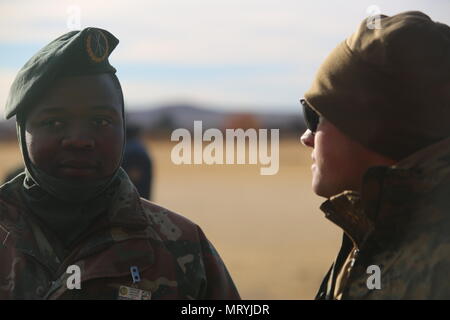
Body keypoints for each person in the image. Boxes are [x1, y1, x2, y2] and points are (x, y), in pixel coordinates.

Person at [0, 27, 240, 300]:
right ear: (22, 132)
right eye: (54, 122)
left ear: (123, 128)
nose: (79, 140)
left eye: (100, 121)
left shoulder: (183, 247)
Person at [300, 11, 450, 299]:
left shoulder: (433, 269)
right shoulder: (382, 234)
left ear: (372, 128)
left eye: (315, 116)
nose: (307, 138)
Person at [122, 124, 153, 200]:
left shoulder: (129, 149)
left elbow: (134, 176)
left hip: (132, 200)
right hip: (140, 200)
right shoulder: (138, 148)